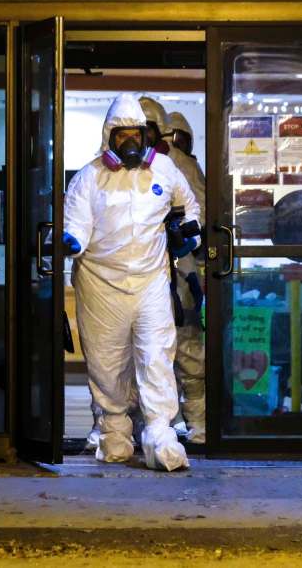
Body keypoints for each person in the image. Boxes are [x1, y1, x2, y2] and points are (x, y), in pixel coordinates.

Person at [63, 94, 200, 471]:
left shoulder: (166, 171)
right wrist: (70, 241)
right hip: (101, 284)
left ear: (144, 135)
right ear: (110, 136)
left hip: (150, 282)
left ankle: (160, 434)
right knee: (107, 366)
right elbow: (75, 222)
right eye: (121, 135)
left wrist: (190, 233)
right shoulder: (89, 178)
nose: (130, 143)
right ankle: (114, 435)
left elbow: (190, 207)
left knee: (157, 357)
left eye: (135, 135)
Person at [162, 111, 207, 444]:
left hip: (179, 268)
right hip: (154, 270)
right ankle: (196, 424)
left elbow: (201, 217)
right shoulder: (113, 172)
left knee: (184, 348)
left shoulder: (182, 167)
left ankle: (186, 423)